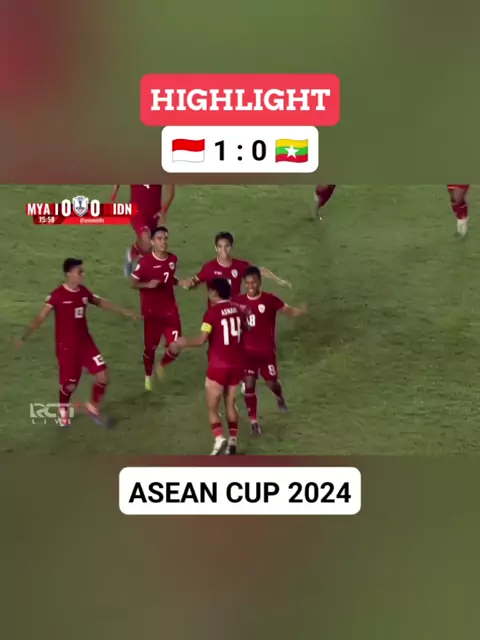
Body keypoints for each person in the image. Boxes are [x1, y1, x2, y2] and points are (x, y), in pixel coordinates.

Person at [15, 258, 138, 426]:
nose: (82, 274)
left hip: (86, 344)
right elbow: (40, 317)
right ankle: (63, 408)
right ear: (69, 274)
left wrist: (125, 312)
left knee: (103, 377)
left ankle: (93, 406)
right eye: (79, 272)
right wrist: (24, 337)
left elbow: (100, 302)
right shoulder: (57, 296)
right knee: (69, 386)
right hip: (67, 348)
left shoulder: (83, 292)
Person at [170, 278, 246, 455]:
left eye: (209, 291)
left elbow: (201, 340)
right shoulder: (239, 309)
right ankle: (233, 441)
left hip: (218, 367)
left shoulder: (211, 314)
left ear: (215, 293)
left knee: (212, 408)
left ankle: (219, 439)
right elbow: (247, 329)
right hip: (237, 366)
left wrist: (184, 342)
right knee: (230, 404)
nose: (208, 294)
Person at [234, 266, 307, 435]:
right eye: (247, 283)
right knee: (249, 384)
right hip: (247, 353)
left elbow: (288, 311)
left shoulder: (269, 300)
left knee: (272, 383)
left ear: (260, 282)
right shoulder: (238, 301)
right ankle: (254, 421)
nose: (250, 286)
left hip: (266, 352)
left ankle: (279, 397)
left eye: (254, 282)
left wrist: (299, 311)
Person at [131, 226, 189, 391]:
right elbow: (133, 283)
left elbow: (169, 277)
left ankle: (162, 365)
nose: (163, 242)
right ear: (152, 242)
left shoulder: (172, 259)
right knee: (150, 348)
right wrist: (147, 285)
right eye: (159, 239)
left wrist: (180, 282)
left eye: (165, 238)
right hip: (152, 314)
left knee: (176, 346)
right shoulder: (145, 263)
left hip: (170, 311)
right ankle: (148, 374)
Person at [187, 231, 291, 301]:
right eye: (220, 246)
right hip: (215, 314)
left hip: (235, 311)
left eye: (227, 246)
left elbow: (260, 271)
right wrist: (189, 284)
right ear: (216, 248)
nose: (223, 250)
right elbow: (195, 282)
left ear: (232, 247)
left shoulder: (239, 266)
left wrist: (278, 280)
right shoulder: (209, 267)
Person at [111, 184, 175, 276]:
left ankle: (132, 253)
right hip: (136, 210)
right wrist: (113, 197)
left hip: (154, 213)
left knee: (147, 246)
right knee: (147, 241)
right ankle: (144, 273)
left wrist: (163, 212)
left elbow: (171, 193)